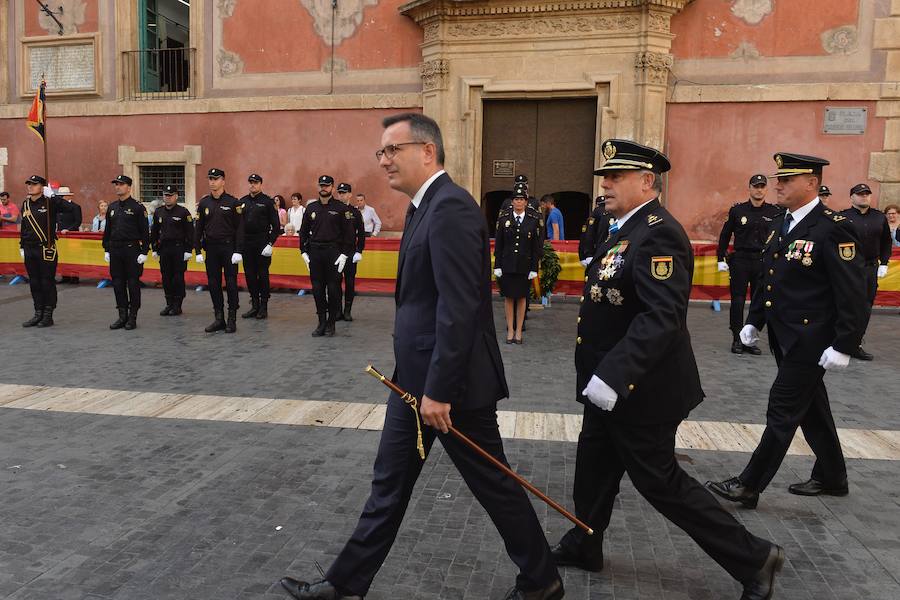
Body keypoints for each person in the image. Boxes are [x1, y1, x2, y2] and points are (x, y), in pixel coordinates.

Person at [280, 112, 563, 600]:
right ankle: (345, 586)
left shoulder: (450, 207)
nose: (384, 160)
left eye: (393, 150)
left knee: (493, 484)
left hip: (448, 389)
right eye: (381, 152)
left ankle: (541, 580)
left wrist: (437, 390)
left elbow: (460, 308)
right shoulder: (422, 206)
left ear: (427, 151)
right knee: (388, 485)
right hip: (413, 381)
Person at [553, 139, 782, 600]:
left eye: (615, 178)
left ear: (646, 182)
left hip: (641, 388)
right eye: (605, 178)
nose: (605, 185)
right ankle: (585, 541)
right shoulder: (623, 227)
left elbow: (660, 316)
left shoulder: (658, 231)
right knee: (592, 470)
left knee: (660, 482)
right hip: (607, 385)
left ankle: (755, 558)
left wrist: (615, 375)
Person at [707, 152, 867, 510]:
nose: (777, 185)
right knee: (812, 407)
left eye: (786, 180)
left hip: (812, 338)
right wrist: (753, 320)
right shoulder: (784, 221)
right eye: (778, 179)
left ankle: (749, 484)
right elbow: (771, 276)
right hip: (784, 334)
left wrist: (844, 344)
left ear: (811, 183)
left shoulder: (833, 226)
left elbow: (853, 291)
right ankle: (833, 476)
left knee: (782, 408)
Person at [716, 174, 783, 355]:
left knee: (757, 303)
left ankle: (750, 339)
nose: (759, 189)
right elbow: (725, 235)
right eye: (756, 186)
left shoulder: (774, 212)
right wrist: (720, 258)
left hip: (762, 261)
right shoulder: (738, 211)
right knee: (737, 301)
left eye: (762, 186)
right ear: (750, 188)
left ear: (766, 189)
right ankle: (737, 337)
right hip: (741, 261)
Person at [839, 184, 892, 361]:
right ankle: (839, 341)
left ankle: (855, 344)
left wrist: (884, 263)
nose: (864, 197)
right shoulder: (843, 217)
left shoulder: (879, 217)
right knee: (845, 305)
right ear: (851, 197)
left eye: (867, 194)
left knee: (865, 307)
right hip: (848, 268)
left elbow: (886, 242)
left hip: (870, 267)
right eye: (860, 194)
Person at [19, 175, 79, 328]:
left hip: (46, 248)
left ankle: (48, 314)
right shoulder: (25, 204)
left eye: (34, 184)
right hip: (29, 248)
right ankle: (37, 312)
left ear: (42, 187)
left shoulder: (50, 202)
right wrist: (21, 245)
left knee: (47, 282)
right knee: (34, 282)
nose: (30, 186)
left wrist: (53, 196)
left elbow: (72, 208)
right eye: (29, 184)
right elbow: (24, 227)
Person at [299, 175, 354, 337]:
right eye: (321, 185)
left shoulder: (341, 208)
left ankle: (331, 323)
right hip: (315, 252)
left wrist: (344, 254)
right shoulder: (311, 208)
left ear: (332, 188)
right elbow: (303, 232)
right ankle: (321, 322)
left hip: (333, 252)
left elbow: (349, 235)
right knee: (317, 289)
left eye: (327, 185)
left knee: (333, 289)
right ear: (318, 187)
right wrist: (303, 252)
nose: (324, 188)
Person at [194, 168, 245, 334]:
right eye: (210, 179)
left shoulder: (233, 203)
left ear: (223, 181)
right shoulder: (204, 203)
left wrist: (238, 250)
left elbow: (240, 228)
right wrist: (198, 251)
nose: (212, 182)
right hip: (212, 248)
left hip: (228, 248)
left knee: (230, 283)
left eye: (216, 179)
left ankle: (231, 318)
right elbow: (198, 228)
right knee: (213, 283)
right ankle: (218, 318)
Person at [494, 184, 541, 344]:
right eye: (516, 199)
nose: (519, 202)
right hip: (507, 264)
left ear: (526, 202)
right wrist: (497, 265)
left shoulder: (533, 220)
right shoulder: (504, 218)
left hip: (524, 266)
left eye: (522, 199)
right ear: (512, 202)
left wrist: (534, 268)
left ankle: (519, 331)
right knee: (508, 298)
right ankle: (510, 330)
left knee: (521, 298)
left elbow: (536, 247)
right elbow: (499, 244)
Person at [103, 175, 150, 330]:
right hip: (116, 249)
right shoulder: (112, 207)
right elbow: (108, 230)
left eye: (121, 184)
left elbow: (145, 232)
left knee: (133, 283)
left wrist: (144, 252)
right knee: (117, 283)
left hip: (131, 249)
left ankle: (132, 316)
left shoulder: (138, 207)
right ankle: (122, 315)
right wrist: (107, 249)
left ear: (129, 187)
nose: (117, 187)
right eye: (116, 184)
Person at [239, 174, 280, 320]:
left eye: (255, 183)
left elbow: (276, 226)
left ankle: (263, 307)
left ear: (261, 184)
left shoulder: (268, 202)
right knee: (249, 275)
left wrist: (270, 243)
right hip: (247, 243)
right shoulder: (242, 202)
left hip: (262, 242)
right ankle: (254, 305)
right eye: (250, 182)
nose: (252, 185)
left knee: (262, 275)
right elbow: (237, 225)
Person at [150, 184, 193, 316]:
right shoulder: (159, 212)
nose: (167, 198)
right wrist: (154, 248)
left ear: (176, 196)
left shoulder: (183, 212)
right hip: (165, 248)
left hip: (179, 248)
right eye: (165, 195)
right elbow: (155, 232)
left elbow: (190, 232)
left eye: (170, 196)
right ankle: (169, 303)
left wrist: (188, 250)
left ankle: (177, 304)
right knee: (166, 277)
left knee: (178, 278)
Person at [335, 182, 365, 322]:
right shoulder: (332, 209)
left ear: (350, 194)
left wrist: (359, 250)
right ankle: (337, 310)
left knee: (350, 282)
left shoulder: (355, 212)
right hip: (335, 251)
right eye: (340, 192)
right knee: (334, 282)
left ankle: (347, 310)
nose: (342, 195)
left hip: (350, 252)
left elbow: (361, 233)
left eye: (344, 192)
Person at [55, 186, 83, 284]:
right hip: (61, 236)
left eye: (62, 196)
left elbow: (78, 221)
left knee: (74, 255)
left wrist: (69, 230)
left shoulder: (76, 207)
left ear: (68, 196)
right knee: (62, 255)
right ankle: (65, 276)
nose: (61, 198)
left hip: (73, 236)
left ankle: (75, 277)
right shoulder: (58, 208)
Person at [578, 196, 609, 267]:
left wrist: (585, 254)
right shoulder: (612, 214)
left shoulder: (595, 213)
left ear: (596, 204)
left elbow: (588, 235)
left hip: (595, 252)